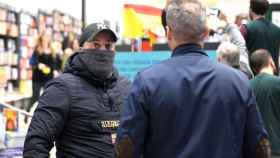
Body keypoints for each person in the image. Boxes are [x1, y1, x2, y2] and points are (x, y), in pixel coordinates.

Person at [116, 0, 270, 158]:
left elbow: (127, 146)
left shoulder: (147, 81)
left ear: (168, 32)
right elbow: (259, 146)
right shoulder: (238, 82)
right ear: (206, 32)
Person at [23, 23, 131, 158]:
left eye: (108, 46)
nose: (103, 51)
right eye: (96, 45)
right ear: (80, 48)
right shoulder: (61, 89)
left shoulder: (125, 86)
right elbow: (35, 145)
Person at [250, 49, 280, 158]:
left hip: (256, 151)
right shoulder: (277, 83)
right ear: (272, 62)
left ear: (253, 68)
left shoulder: (246, 86)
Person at [241, 0, 280, 74]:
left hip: (253, 76)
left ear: (250, 10)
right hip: (273, 77)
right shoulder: (277, 29)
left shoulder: (246, 28)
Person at [27, 34, 58, 113]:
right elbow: (31, 62)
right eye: (44, 38)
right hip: (37, 77)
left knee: (48, 97)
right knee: (35, 97)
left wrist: (55, 70)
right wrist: (38, 65)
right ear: (41, 39)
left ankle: (44, 114)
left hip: (48, 78)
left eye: (47, 38)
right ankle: (27, 113)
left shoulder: (52, 50)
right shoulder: (37, 50)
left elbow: (55, 63)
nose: (46, 40)